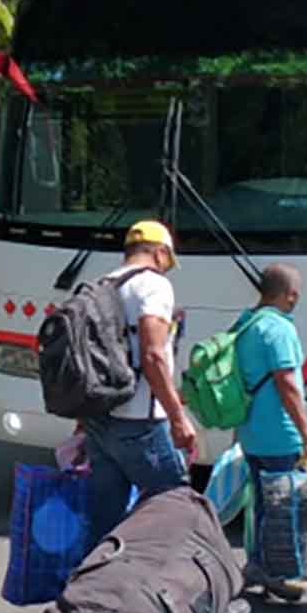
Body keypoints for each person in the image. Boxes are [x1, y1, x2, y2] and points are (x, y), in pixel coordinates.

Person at [81, 220, 201, 550]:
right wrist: (178, 416)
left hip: (99, 419)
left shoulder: (102, 284)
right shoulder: (153, 286)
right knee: (177, 513)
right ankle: (184, 594)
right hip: (140, 422)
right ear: (160, 253)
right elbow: (153, 355)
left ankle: (92, 594)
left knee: (105, 523)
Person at [231, 263, 307, 601]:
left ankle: (257, 563)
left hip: (252, 432)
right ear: (290, 295)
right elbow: (287, 385)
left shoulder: (246, 324)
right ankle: (278, 572)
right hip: (278, 434)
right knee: (282, 506)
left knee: (262, 503)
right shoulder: (278, 329)